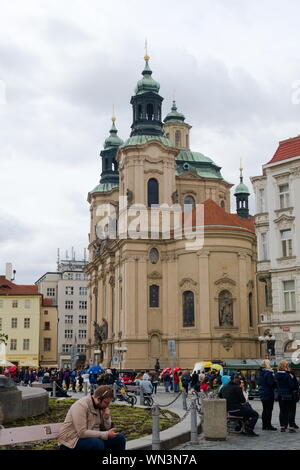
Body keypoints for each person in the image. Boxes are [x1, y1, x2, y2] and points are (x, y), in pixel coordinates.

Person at [58, 385, 126, 451]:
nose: (107, 405)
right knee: (97, 444)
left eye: (109, 403)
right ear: (98, 398)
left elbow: (107, 429)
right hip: (72, 440)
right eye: (106, 402)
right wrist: (105, 434)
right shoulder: (81, 406)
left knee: (119, 438)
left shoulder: (101, 406)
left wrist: (106, 417)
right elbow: (82, 433)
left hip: (92, 437)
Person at [275, 360, 297, 433]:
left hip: (280, 395)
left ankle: (282, 426)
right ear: (285, 366)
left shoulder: (277, 374)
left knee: (282, 411)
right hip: (288, 394)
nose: (288, 366)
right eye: (287, 365)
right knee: (290, 411)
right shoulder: (287, 375)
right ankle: (291, 427)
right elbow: (291, 385)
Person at [257, 359, 277, 431]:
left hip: (262, 393)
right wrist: (274, 379)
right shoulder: (268, 373)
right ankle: (268, 425)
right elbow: (271, 383)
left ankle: (264, 425)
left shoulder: (261, 372)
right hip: (268, 393)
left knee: (264, 409)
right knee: (269, 409)